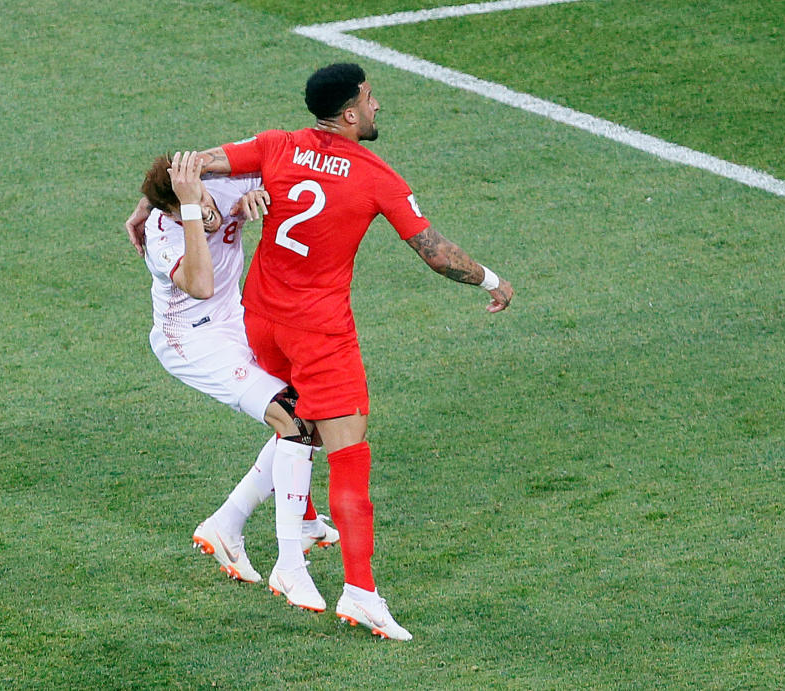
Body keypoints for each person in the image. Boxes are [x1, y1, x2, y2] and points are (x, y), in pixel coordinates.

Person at [125, 63, 513, 641]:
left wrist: (144, 201)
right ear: (350, 112)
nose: (377, 106)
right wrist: (491, 281)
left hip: (258, 321)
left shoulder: (275, 147)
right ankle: (355, 591)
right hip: (315, 333)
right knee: (345, 451)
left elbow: (188, 166)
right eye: (371, 98)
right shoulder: (376, 174)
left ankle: (270, 523)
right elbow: (435, 254)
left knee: (296, 423)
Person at [138, 151, 338, 598]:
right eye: (190, 206)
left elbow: (275, 148)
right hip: (192, 342)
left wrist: (252, 195)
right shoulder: (161, 234)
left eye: (205, 194)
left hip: (237, 320)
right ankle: (289, 563)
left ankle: (226, 526)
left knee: (317, 416)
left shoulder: (222, 181)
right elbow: (202, 285)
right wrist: (190, 207)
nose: (208, 210)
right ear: (169, 211)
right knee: (292, 418)